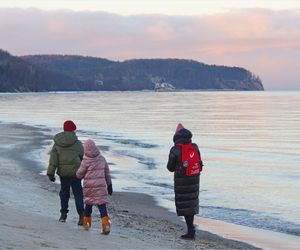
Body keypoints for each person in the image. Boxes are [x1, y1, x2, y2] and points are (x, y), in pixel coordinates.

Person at [167, 123, 203, 240]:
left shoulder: (175, 149)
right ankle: (190, 228)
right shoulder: (195, 146)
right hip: (194, 179)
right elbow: (200, 164)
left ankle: (190, 229)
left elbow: (170, 168)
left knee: (184, 204)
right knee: (191, 203)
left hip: (181, 181)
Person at [47, 120, 84, 225]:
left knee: (64, 193)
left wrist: (51, 173)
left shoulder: (57, 143)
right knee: (78, 194)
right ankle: (81, 215)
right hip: (76, 173)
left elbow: (53, 159)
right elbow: (83, 157)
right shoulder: (77, 143)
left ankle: (63, 215)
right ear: (73, 130)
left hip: (63, 173)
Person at [76, 139, 113, 235]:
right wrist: (109, 185)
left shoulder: (86, 160)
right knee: (102, 207)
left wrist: (76, 176)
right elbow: (107, 173)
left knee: (88, 206)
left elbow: (80, 174)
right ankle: (106, 225)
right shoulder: (102, 158)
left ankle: (86, 224)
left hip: (89, 189)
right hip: (100, 188)